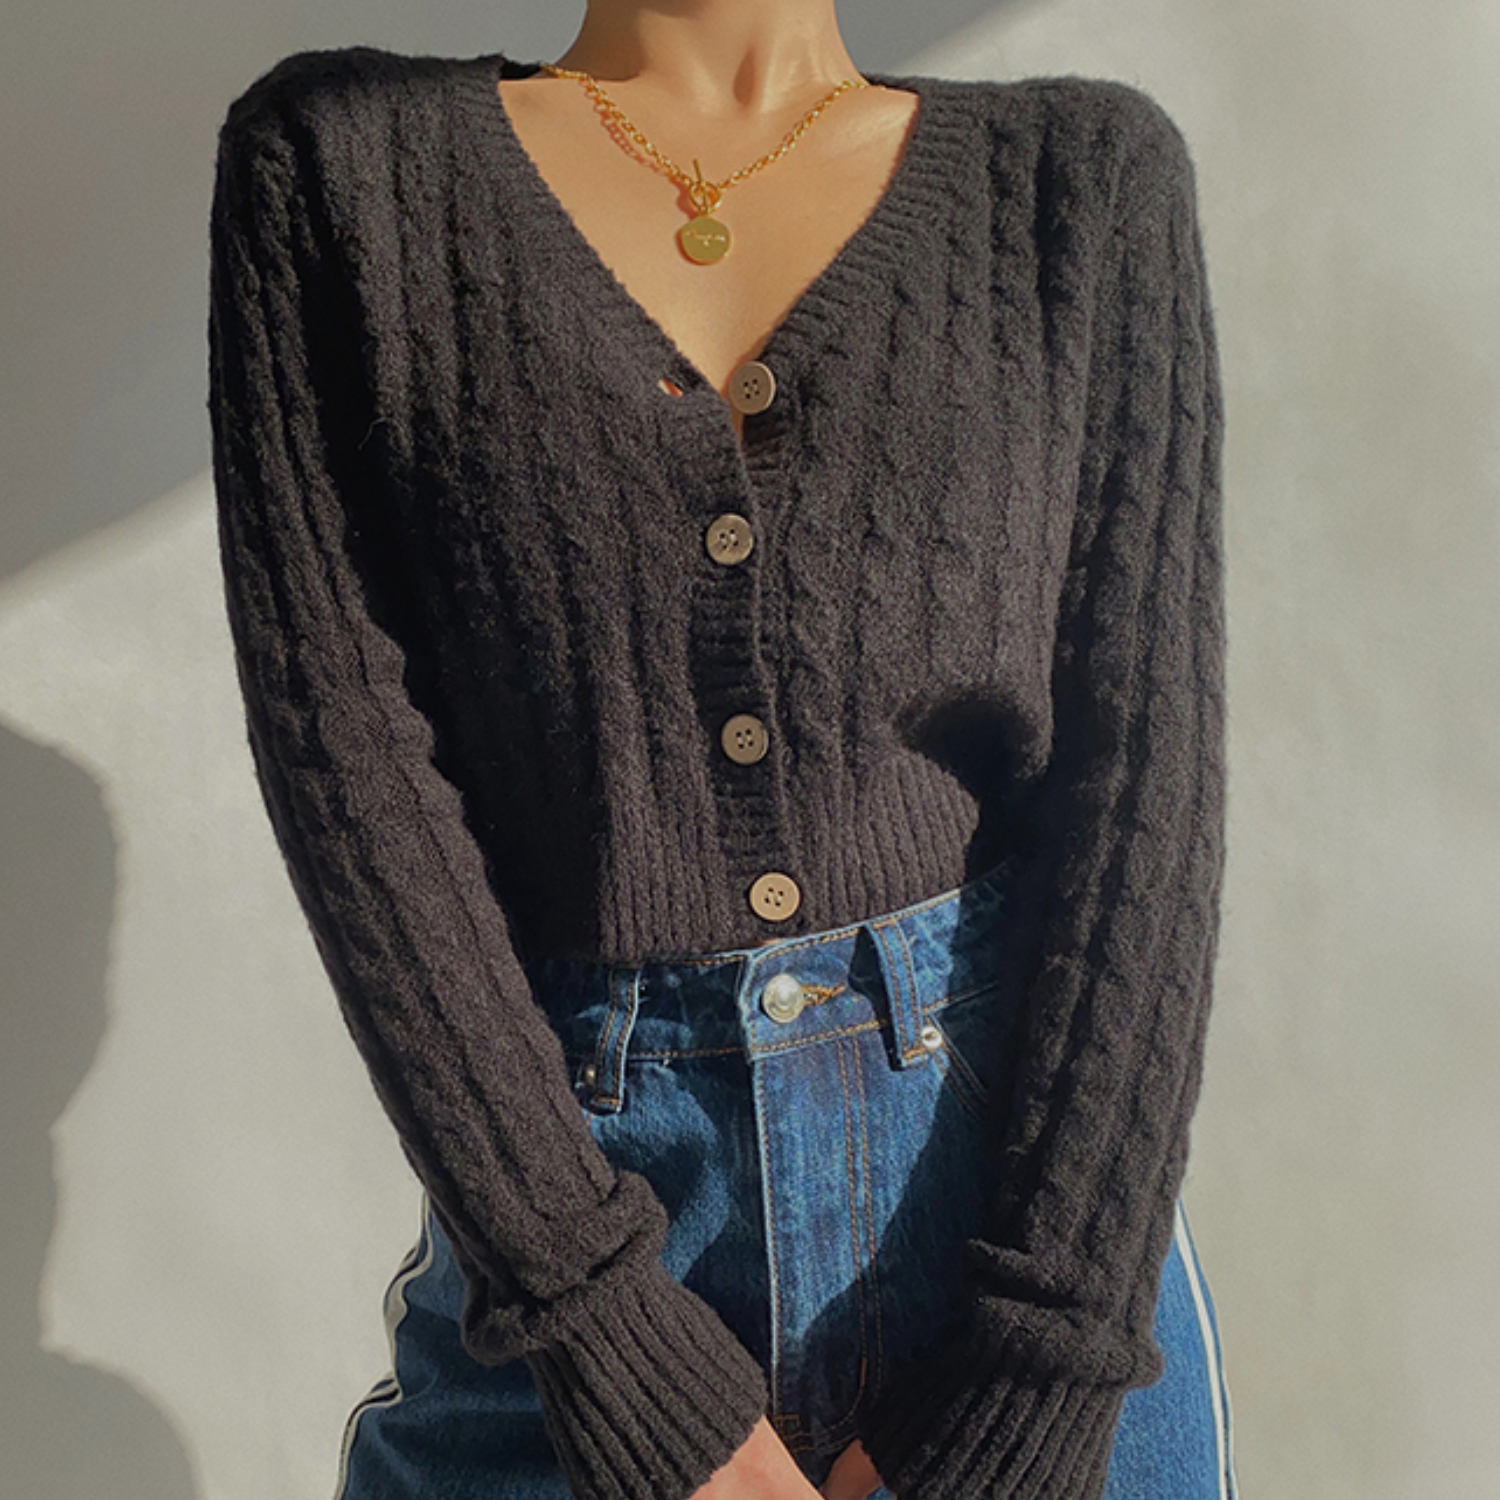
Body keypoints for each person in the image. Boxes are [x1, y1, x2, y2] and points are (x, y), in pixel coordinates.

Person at [206, 2, 1235, 1498]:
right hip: (568, 1262)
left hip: (1021, 1265)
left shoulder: (1082, 184)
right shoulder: (340, 171)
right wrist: (601, 1336)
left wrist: (1035, 1375)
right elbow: (347, 763)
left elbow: (1146, 797)